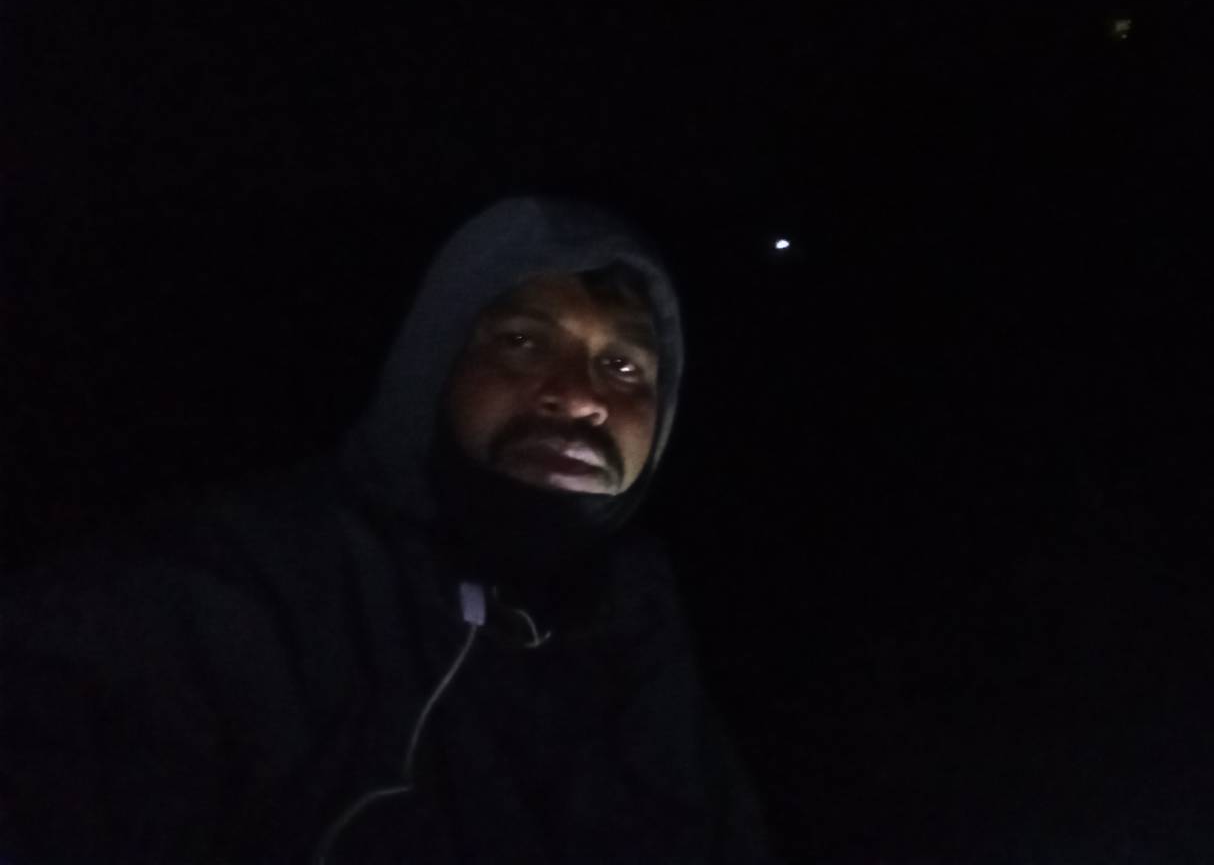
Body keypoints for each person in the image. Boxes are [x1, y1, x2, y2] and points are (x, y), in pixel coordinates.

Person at [0, 196, 775, 864]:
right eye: (522, 341)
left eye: (625, 367)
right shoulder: (247, 586)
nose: (577, 397)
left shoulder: (644, 616)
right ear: (435, 363)